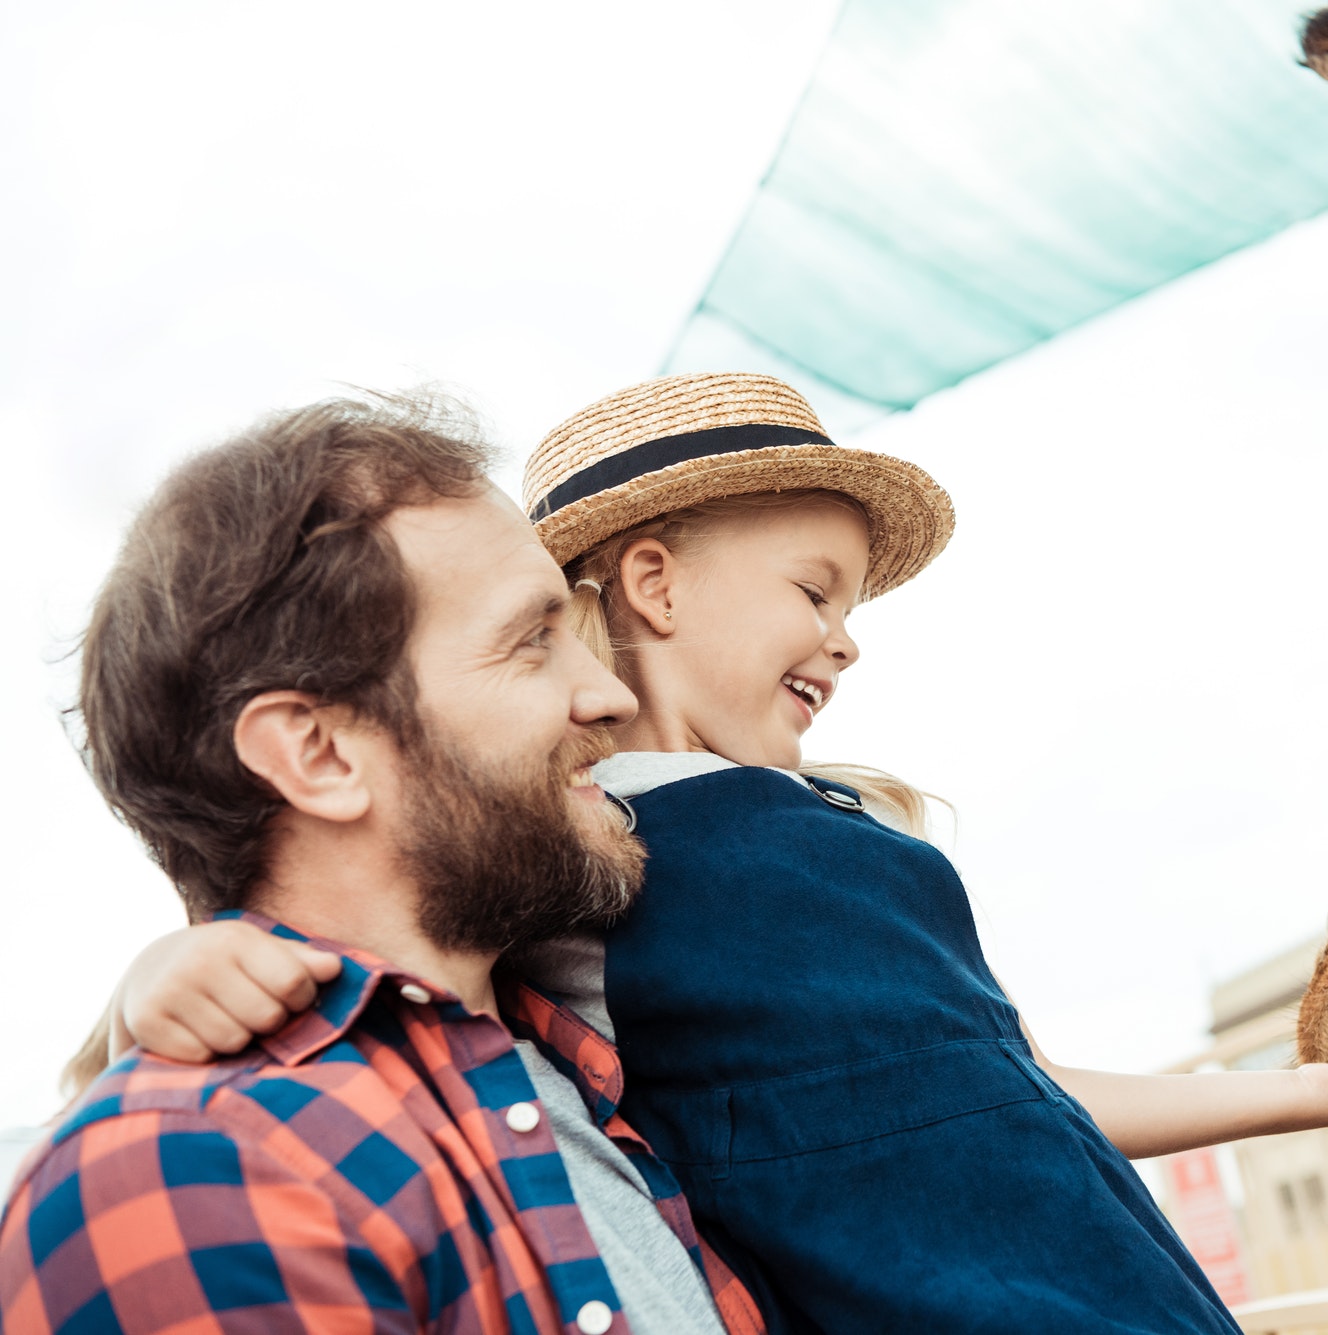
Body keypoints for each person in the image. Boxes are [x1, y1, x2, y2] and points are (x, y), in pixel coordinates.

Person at [103, 374, 1328, 1333]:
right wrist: (177, 963)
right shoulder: (576, 860)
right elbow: (373, 956)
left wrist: (1305, 1094)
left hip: (1101, 1272)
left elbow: (991, 1090)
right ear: (651, 581)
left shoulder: (830, 823)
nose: (848, 634)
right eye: (814, 588)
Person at [0, 395, 765, 1334]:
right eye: (531, 641)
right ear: (319, 754)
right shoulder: (193, 1167)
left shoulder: (591, 1072)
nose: (610, 693)